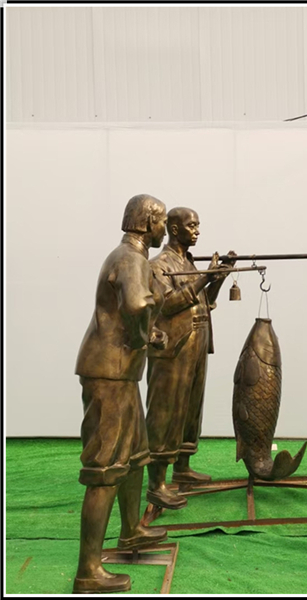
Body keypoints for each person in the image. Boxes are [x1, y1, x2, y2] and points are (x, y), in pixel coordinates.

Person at [73, 194, 169, 593]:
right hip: (109, 374)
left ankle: (131, 531)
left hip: (120, 374)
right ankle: (88, 571)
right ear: (147, 223)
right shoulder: (132, 259)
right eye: (162, 221)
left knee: (133, 456)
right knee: (105, 468)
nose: (164, 229)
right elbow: (135, 304)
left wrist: (147, 333)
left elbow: (133, 310)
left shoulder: (130, 256)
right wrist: (147, 335)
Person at [145, 207, 235, 509]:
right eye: (191, 226)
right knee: (166, 410)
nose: (197, 231)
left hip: (197, 342)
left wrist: (218, 277)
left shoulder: (189, 263)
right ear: (174, 229)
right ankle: (157, 483)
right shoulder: (158, 265)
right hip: (173, 347)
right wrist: (205, 278)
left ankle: (182, 467)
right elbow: (168, 304)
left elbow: (205, 300)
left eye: (198, 226)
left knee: (191, 408)